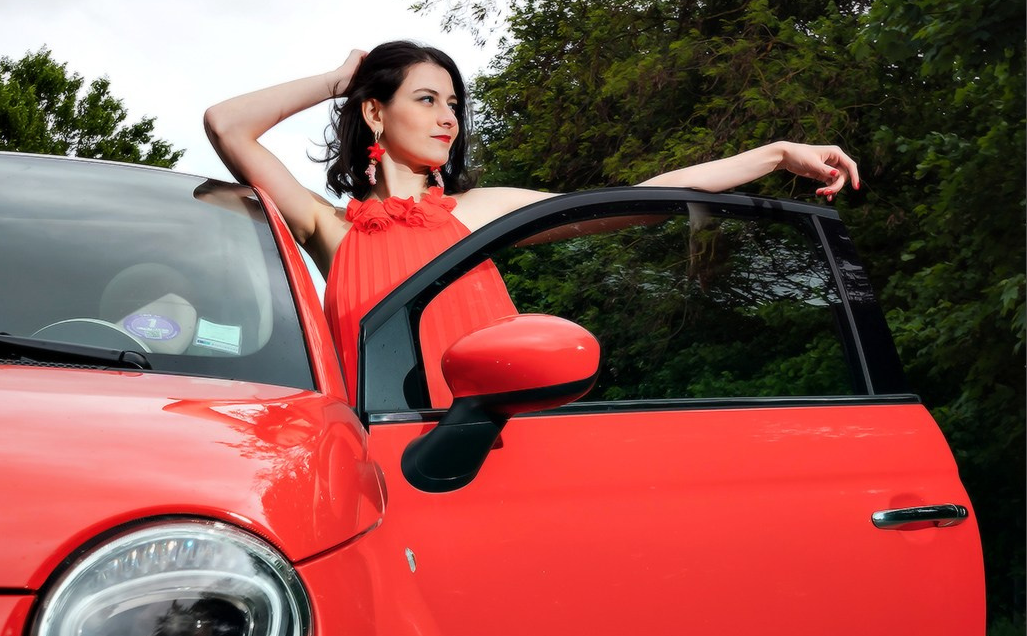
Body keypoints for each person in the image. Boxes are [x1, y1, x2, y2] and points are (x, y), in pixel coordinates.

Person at [204, 41, 861, 405]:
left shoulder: (478, 210)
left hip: (493, 453)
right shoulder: (329, 227)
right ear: (376, 113)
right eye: (427, 99)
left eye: (453, 104)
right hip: (375, 464)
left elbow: (632, 199)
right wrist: (338, 79)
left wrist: (774, 154)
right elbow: (227, 124)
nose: (448, 118)